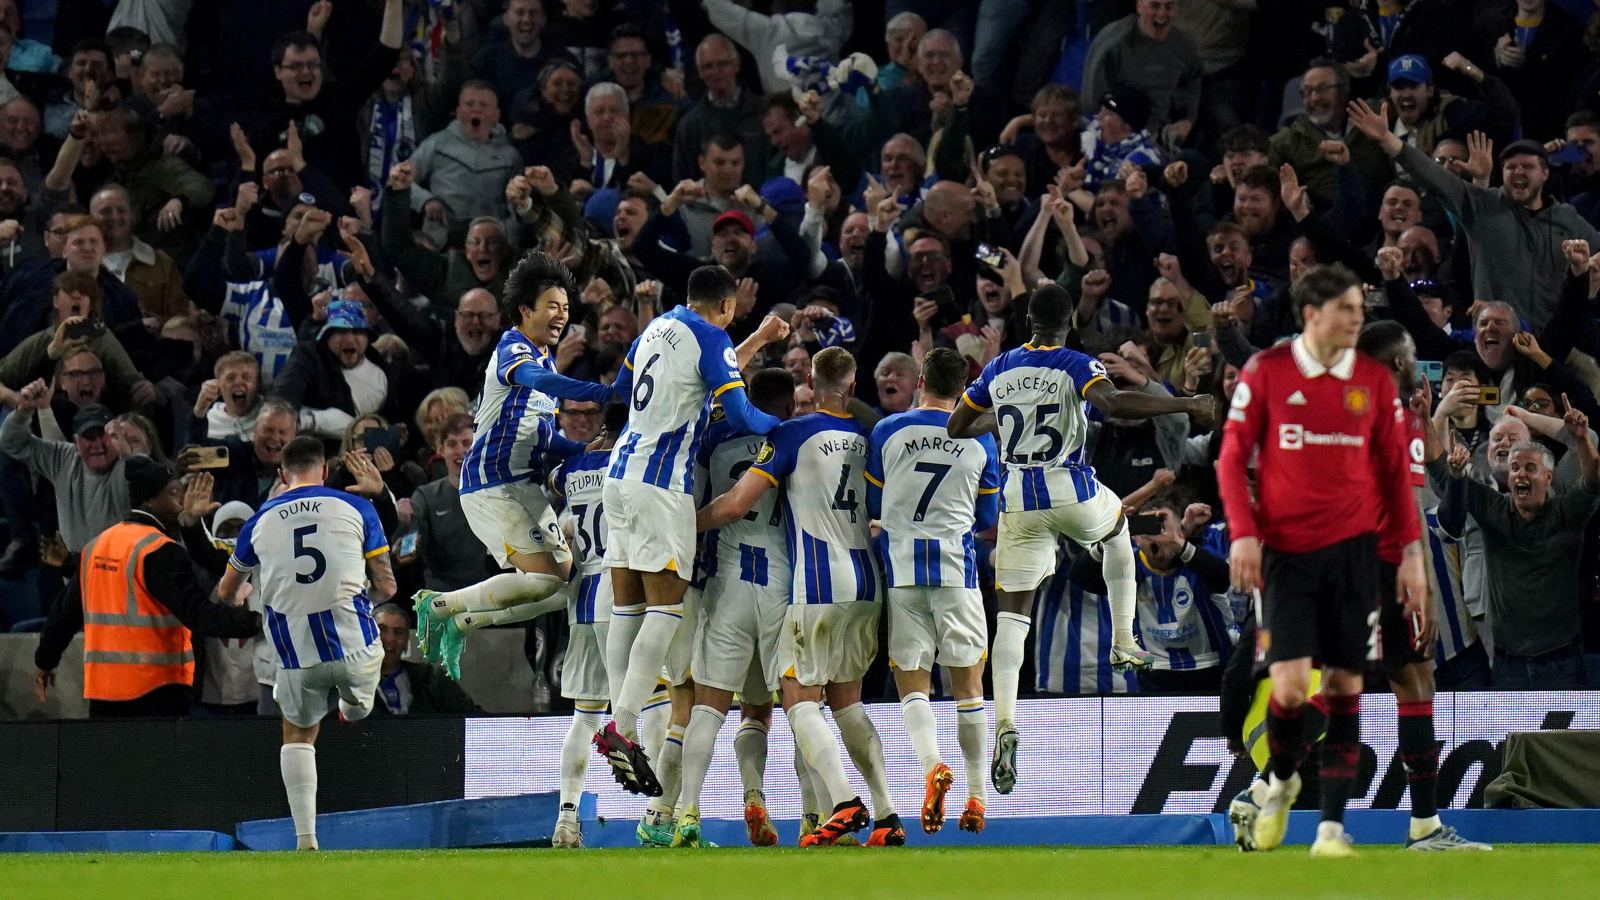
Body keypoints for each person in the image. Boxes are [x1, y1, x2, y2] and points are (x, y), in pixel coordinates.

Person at [946, 283, 1212, 796]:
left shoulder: (999, 368)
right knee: (1117, 528)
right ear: (1068, 322)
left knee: (1012, 619)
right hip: (1068, 484)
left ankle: (1004, 720)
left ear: (1027, 318)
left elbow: (959, 425)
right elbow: (1115, 404)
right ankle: (1122, 642)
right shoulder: (1075, 363)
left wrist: (1003, 414)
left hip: (1019, 498)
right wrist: (1185, 402)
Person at [1216, 263, 1425, 858]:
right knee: (1286, 689)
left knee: (1342, 685)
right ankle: (1279, 781)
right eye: (1347, 310)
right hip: (1286, 555)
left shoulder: (1373, 382)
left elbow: (1393, 476)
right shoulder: (1269, 372)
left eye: (1361, 310)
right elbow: (1231, 458)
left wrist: (1410, 553)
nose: (1358, 319)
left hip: (1356, 554)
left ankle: (1331, 831)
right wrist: (1242, 534)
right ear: (1313, 315)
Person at [697, 346, 896, 848]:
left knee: (798, 699)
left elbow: (738, 503)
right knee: (848, 704)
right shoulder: (868, 438)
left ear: (811, 379)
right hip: (867, 581)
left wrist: (688, 523)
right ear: (852, 386)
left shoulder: (791, 434)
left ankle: (845, 802)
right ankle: (888, 814)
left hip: (816, 583)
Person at [412, 252, 614, 678]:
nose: (561, 315)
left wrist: (583, 450)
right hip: (491, 486)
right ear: (526, 310)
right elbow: (542, 382)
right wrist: (602, 393)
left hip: (524, 487)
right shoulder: (513, 348)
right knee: (544, 582)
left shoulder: (541, 357)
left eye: (565, 307)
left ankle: (465, 622)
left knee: (564, 587)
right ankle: (440, 605)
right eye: (552, 306)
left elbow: (541, 438)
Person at [216, 436, 398, 852]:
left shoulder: (258, 522)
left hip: (296, 657)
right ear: (326, 471)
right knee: (358, 702)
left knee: (297, 735)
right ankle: (355, 706)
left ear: (281, 475)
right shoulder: (357, 507)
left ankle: (306, 840)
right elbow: (387, 585)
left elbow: (226, 593)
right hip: (357, 646)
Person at [868, 347, 999, 836]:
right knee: (968, 689)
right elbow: (988, 519)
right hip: (957, 575)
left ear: (921, 380)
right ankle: (977, 797)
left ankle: (930, 766)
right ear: (964, 389)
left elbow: (875, 500)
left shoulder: (887, 430)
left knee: (913, 685)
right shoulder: (980, 443)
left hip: (902, 575)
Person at [669, 369, 795, 848]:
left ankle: (687, 812)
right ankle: (801, 812)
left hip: (726, 582)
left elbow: (692, 499)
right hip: (781, 582)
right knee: (786, 707)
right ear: (785, 406)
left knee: (710, 706)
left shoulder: (712, 440)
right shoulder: (791, 438)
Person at [33, 456, 263, 717]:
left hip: (104, 692)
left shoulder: (97, 545)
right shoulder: (160, 550)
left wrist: (45, 660)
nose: (180, 497)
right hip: (158, 691)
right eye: (172, 491)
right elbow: (198, 613)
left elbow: (64, 613)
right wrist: (258, 622)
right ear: (149, 499)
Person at [1425, 394, 1600, 690]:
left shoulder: (1567, 512)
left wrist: (1581, 439)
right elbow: (1442, 473)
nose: (1520, 473)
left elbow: (1594, 480)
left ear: (1549, 476)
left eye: (1530, 468)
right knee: (1509, 739)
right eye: (1516, 468)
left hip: (1562, 661)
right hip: (1508, 663)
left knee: (1564, 738)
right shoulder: (1495, 507)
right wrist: (1428, 417)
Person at [546, 402, 625, 849]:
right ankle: (661, 816)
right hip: (624, 595)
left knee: (586, 714)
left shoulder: (571, 469)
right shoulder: (634, 458)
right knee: (654, 702)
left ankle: (567, 817)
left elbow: (552, 480)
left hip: (582, 598)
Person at [370, 603, 479, 716]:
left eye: (398, 632)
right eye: (381, 630)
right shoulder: (351, 683)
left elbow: (476, 719)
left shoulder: (432, 680)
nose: (390, 638)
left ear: (406, 640)